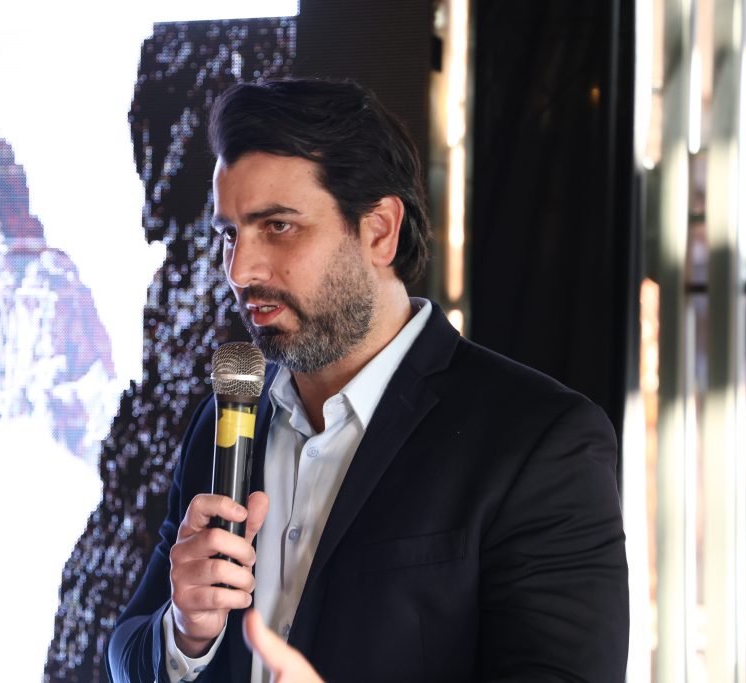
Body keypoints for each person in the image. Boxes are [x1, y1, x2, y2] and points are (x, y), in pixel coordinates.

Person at [107, 77, 629, 682]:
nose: (240, 269)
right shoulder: (223, 422)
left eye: (277, 226)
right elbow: (127, 652)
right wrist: (184, 632)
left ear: (379, 230)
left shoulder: (539, 441)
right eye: (230, 234)